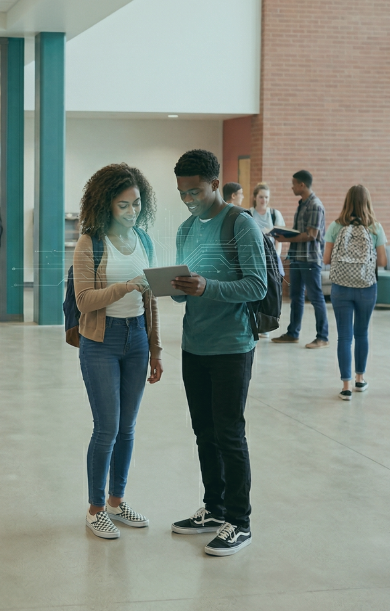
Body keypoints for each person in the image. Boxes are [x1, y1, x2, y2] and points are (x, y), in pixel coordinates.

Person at [170, 149, 266, 557]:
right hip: (194, 345)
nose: (189, 199)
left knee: (229, 434)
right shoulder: (185, 230)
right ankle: (213, 508)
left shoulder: (239, 224)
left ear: (214, 183)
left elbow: (257, 286)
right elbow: (183, 294)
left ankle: (239, 521)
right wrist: (176, 289)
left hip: (231, 346)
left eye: (195, 191)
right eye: (181, 192)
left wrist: (208, 287)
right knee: (203, 432)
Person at [72, 164, 163, 540]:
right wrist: (126, 286)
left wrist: (155, 349)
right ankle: (95, 510)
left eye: (136, 204)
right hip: (101, 341)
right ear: (106, 205)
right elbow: (84, 300)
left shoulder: (144, 240)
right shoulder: (89, 243)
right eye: (123, 205)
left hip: (137, 340)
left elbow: (151, 297)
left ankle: (116, 501)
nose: (131, 212)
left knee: (127, 428)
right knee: (106, 427)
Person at [323, 186, 387, 400]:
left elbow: (325, 259)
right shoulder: (375, 228)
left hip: (341, 287)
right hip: (367, 287)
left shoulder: (335, 226)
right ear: (367, 202)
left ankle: (346, 385)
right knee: (361, 333)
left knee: (344, 336)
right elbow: (384, 261)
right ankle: (360, 379)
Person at [272, 170, 329, 349]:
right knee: (295, 296)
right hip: (297, 257)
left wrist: (285, 238)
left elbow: (312, 235)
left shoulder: (315, 205)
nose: (292, 187)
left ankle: (323, 337)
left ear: (302, 185)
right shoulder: (302, 203)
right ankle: (293, 333)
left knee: (315, 297)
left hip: (310, 259)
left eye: (294, 183)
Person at [248, 182, 286, 257]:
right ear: (255, 197)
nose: (264, 200)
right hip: (253, 254)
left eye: (266, 197)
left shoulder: (275, 214)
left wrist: (276, 255)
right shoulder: (248, 213)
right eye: (261, 197)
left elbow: (279, 238)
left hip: (271, 254)